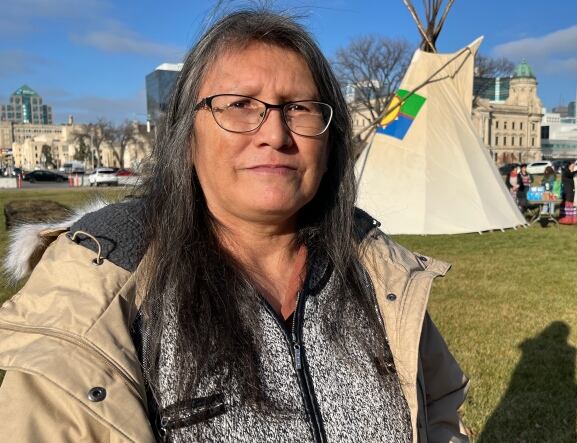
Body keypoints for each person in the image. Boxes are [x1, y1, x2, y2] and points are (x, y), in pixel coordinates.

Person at [0, 10, 469, 443]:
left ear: (330, 145)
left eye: (299, 107)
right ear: (187, 136)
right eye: (240, 104)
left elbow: (439, 402)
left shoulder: (378, 273)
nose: (275, 134)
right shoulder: (97, 301)